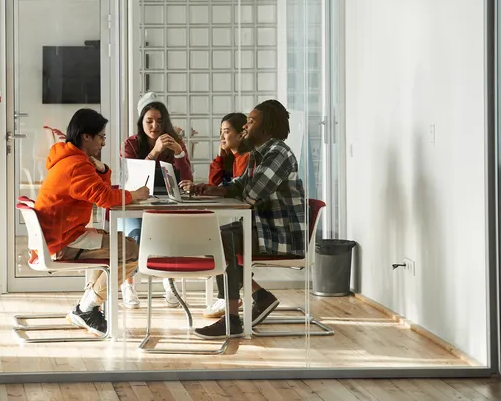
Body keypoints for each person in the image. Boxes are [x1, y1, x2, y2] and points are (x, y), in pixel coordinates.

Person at [181, 99, 307, 338]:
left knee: (219, 241)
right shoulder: (261, 154)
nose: (246, 127)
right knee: (217, 239)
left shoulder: (278, 154)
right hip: (262, 227)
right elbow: (239, 185)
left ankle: (232, 319)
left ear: (266, 128)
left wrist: (229, 190)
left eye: (250, 122)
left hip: (279, 234)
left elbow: (251, 195)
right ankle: (258, 298)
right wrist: (208, 189)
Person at [32, 108, 150, 336]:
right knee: (133, 251)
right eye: (101, 136)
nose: (103, 143)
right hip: (62, 242)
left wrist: (103, 169)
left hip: (61, 235)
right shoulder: (76, 166)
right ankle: (86, 308)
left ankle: (87, 306)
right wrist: (135, 195)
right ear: (86, 136)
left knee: (119, 245)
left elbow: (99, 190)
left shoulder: (69, 158)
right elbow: (105, 199)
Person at [119, 101, 193, 308]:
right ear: (141, 122)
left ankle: (168, 281)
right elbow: (133, 180)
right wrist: (154, 153)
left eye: (160, 121)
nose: (155, 126)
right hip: (135, 201)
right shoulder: (131, 144)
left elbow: (186, 181)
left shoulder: (175, 143)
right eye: (149, 121)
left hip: (165, 202)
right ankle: (128, 284)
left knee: (167, 232)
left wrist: (179, 153)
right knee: (134, 232)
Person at [209, 112, 250, 187]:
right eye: (221, 132)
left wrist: (198, 188)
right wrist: (219, 158)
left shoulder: (246, 158)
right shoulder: (234, 159)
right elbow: (213, 184)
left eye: (226, 132)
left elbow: (236, 189)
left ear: (240, 135)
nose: (221, 137)